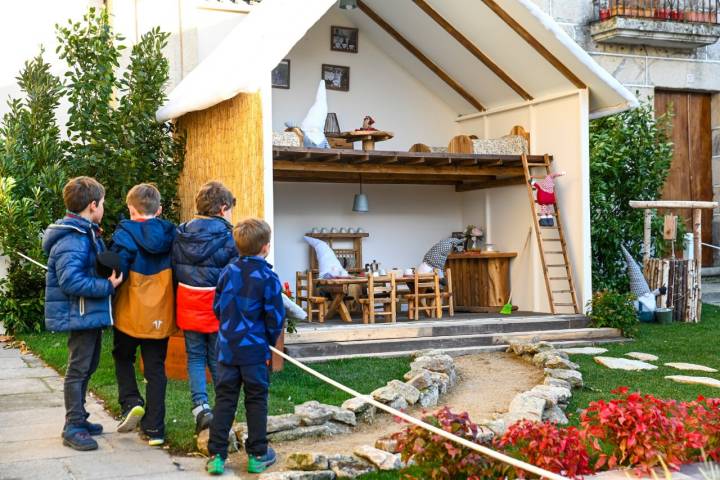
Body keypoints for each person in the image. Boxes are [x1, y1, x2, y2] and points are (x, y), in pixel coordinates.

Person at [43, 176, 123, 451]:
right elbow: (70, 281)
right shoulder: (73, 239)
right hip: (79, 312)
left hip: (87, 312)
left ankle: (80, 417)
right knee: (78, 368)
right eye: (102, 204)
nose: (103, 208)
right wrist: (107, 286)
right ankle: (73, 425)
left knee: (87, 365)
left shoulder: (85, 232)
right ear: (92, 205)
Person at [206, 218, 285, 476]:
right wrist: (270, 343)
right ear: (266, 247)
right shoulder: (268, 277)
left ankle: (216, 456)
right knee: (256, 400)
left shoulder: (227, 273)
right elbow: (275, 317)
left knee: (225, 400)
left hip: (227, 350)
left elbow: (217, 308)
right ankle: (258, 454)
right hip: (254, 352)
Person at [110, 184, 176, 446]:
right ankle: (155, 429)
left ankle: (131, 401)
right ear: (159, 210)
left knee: (122, 356)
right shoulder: (171, 234)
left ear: (130, 208)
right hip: (160, 310)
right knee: (156, 368)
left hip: (129, 310)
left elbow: (118, 268)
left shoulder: (124, 233)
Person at [172, 181, 238, 433]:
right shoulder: (230, 236)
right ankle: (223, 408)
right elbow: (232, 274)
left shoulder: (181, 233)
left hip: (188, 300)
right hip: (215, 303)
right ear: (223, 208)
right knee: (217, 356)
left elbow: (175, 266)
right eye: (230, 208)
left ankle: (200, 407)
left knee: (196, 356)